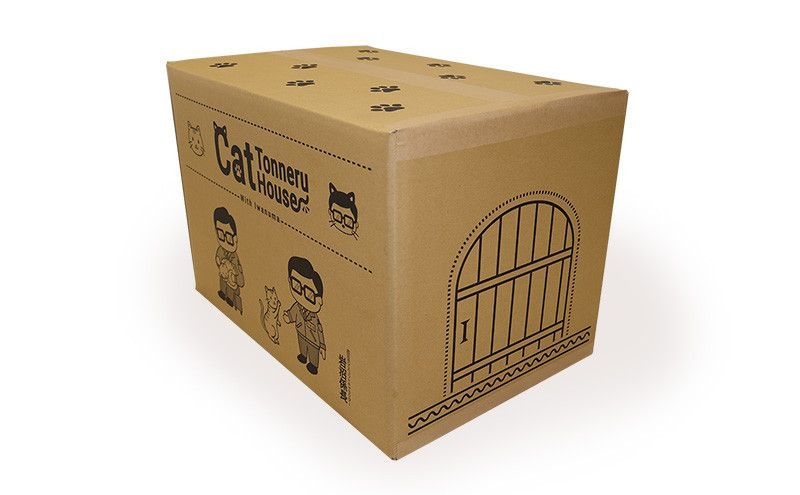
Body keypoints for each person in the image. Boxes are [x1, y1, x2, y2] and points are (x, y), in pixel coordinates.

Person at [283, 256, 326, 375]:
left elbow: (320, 330)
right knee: (302, 346)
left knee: (313, 353)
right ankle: (303, 355)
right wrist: (288, 317)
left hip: (314, 340)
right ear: (289, 281)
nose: (302, 295)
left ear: (319, 301)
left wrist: (322, 346)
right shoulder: (297, 307)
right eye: (296, 286)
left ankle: (313, 365)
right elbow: (292, 313)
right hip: (300, 332)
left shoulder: (314, 317)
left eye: (309, 294)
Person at [213, 207, 244, 314]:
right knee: (222, 282)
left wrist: (233, 271)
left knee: (231, 290)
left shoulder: (234, 257)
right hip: (224, 276)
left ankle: (230, 299)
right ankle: (223, 293)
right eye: (221, 235)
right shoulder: (220, 250)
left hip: (232, 281)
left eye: (229, 237)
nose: (225, 240)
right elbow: (218, 257)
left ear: (235, 239)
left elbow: (240, 278)